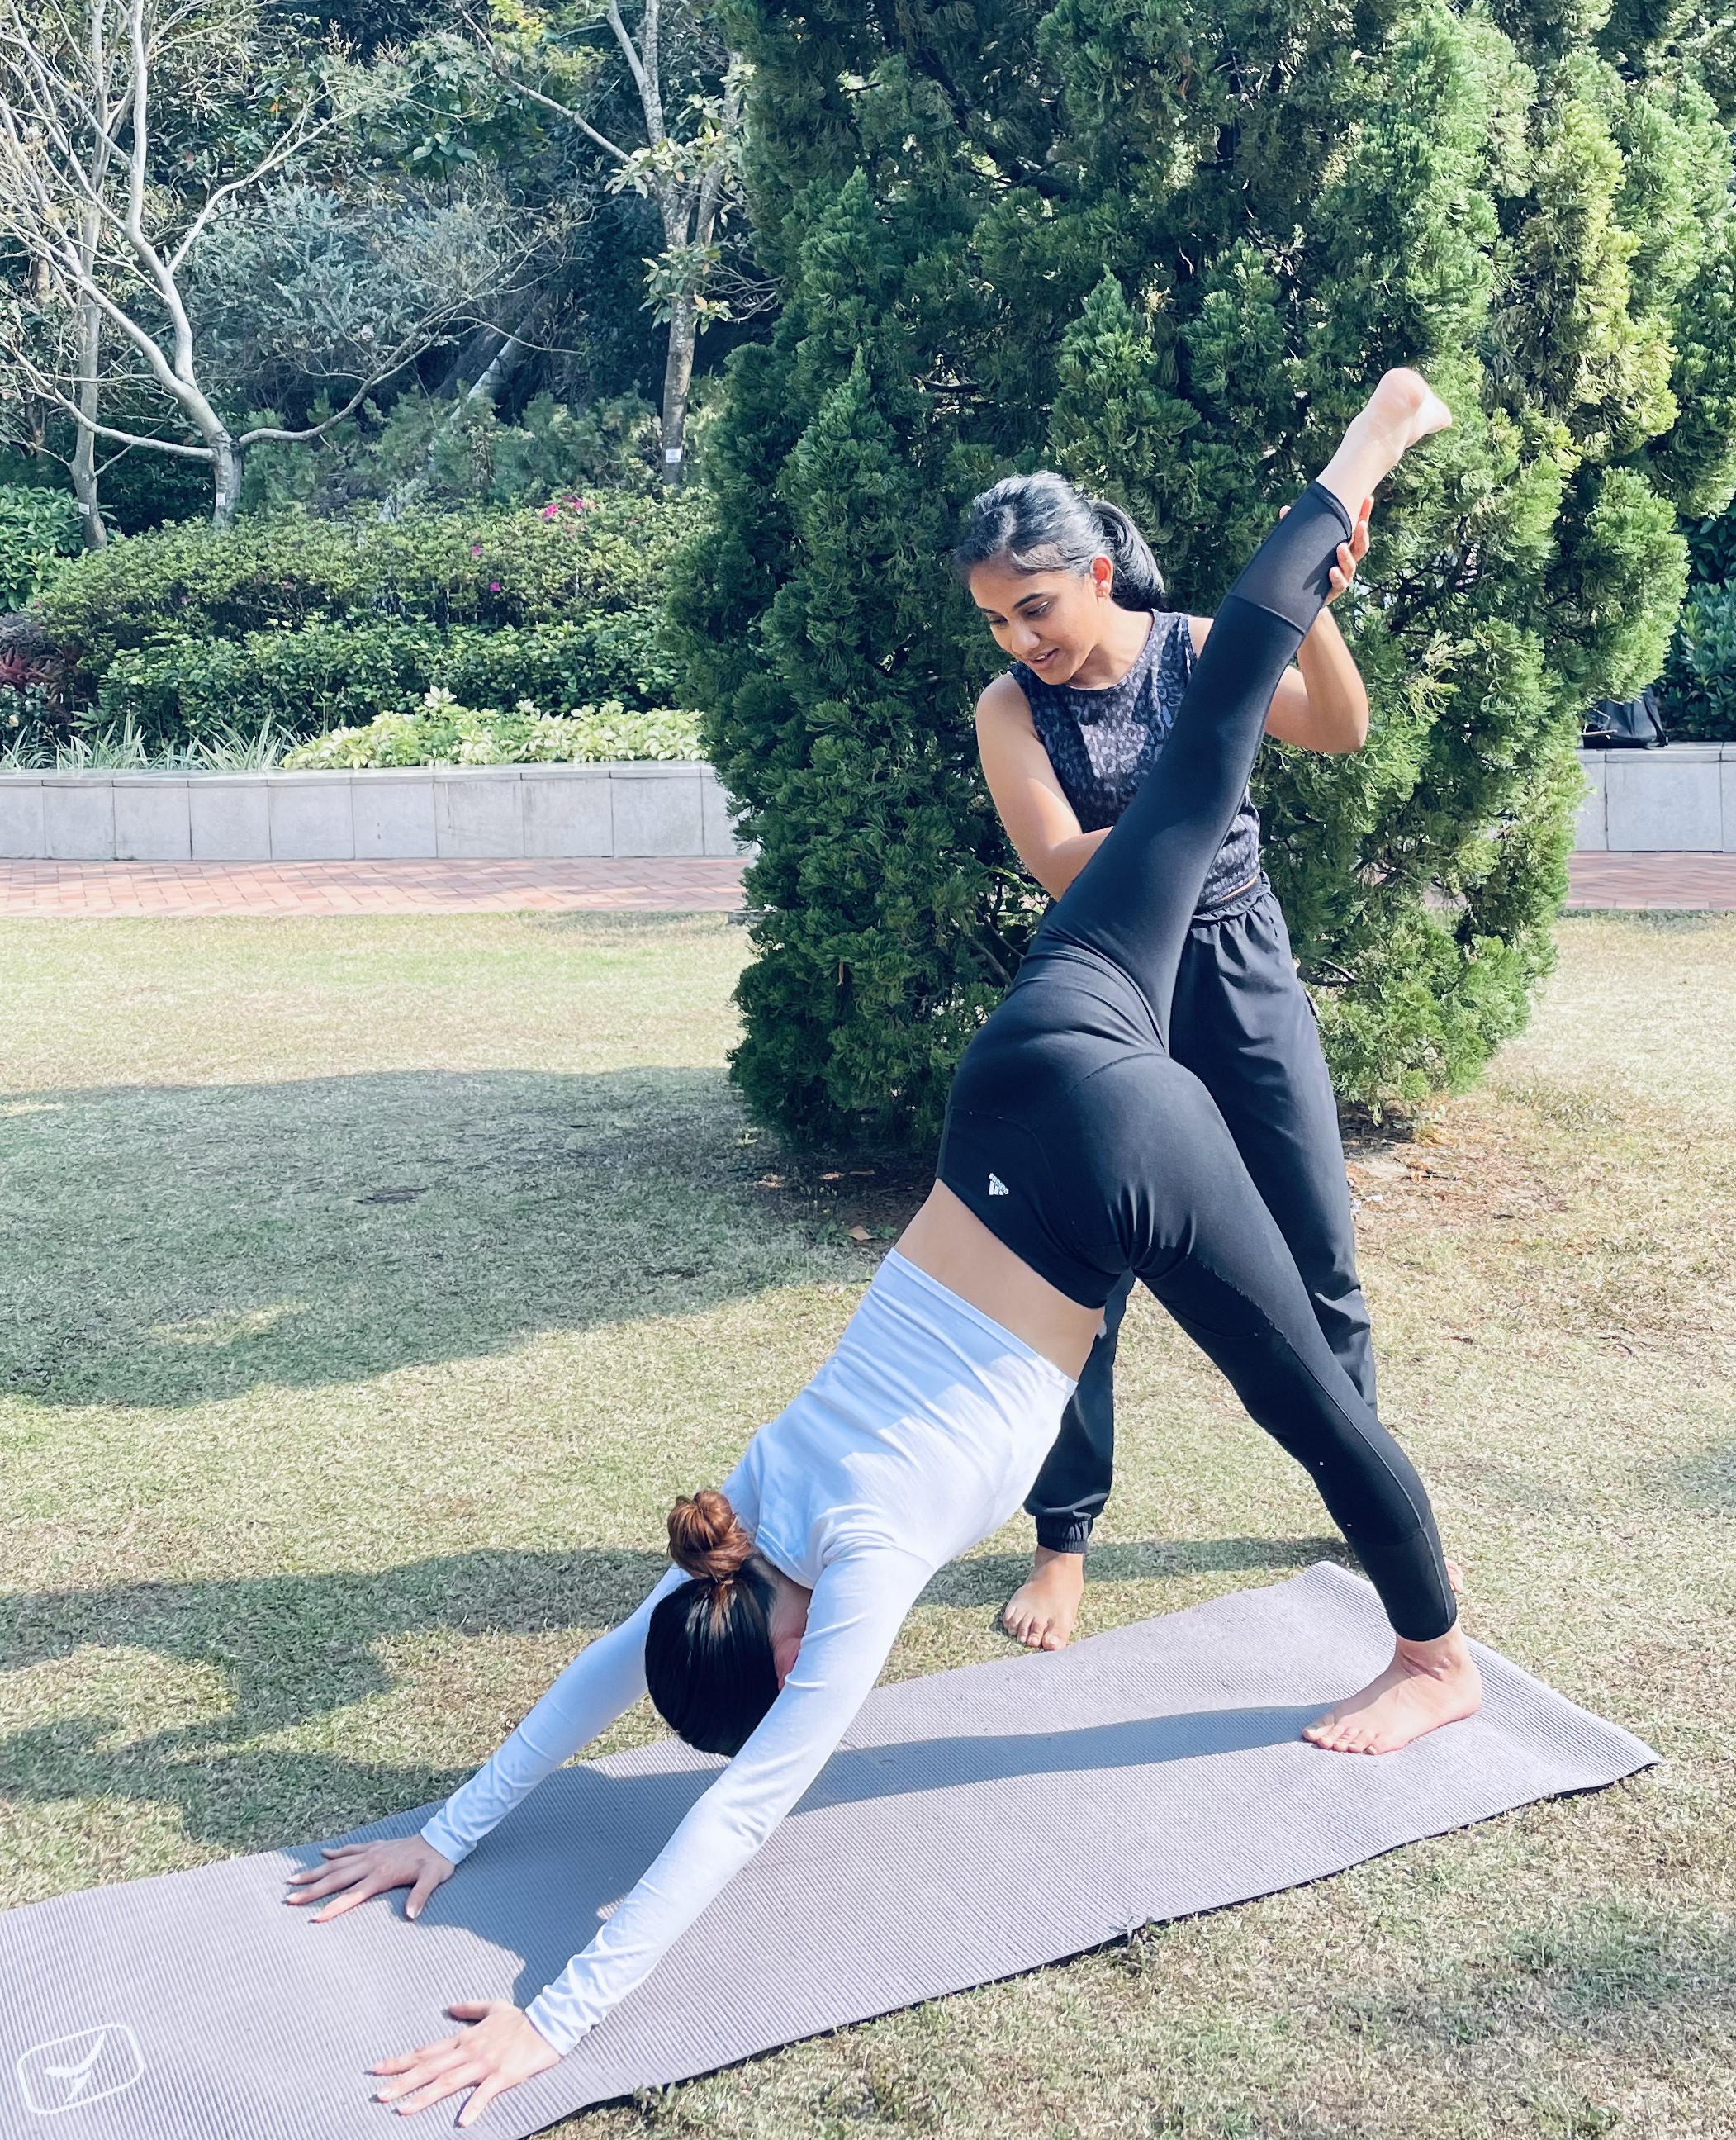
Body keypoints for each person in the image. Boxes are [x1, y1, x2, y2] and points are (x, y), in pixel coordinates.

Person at [283, 371, 1477, 2128]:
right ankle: (1365, 450)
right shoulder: (738, 1517)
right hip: (1018, 1083)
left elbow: (745, 1811)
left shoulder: (839, 1584)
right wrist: (442, 1833)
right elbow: (592, 1685)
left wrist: (555, 2020)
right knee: (1222, 705)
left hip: (1103, 1169)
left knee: (1308, 1386)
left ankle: (1438, 1663)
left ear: (769, 1650)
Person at [961, 468, 1379, 1652]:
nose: (1018, 638)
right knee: (1081, 1281)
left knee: (1319, 1254)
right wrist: (1200, 789)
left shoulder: (1200, 648)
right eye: (997, 618)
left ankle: (1361, 1483)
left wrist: (1312, 614)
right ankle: (1062, 1542)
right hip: (1110, 988)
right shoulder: (1011, 708)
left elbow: (1341, 730)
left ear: (1096, 574)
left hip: (1241, 961)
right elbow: (1058, 862)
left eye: (1034, 607)